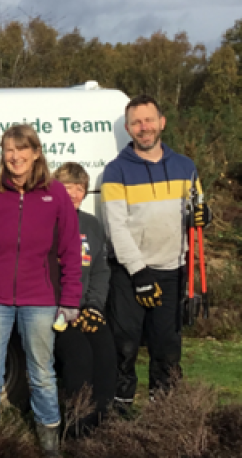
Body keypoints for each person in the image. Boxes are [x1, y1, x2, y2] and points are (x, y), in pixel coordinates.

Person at [0, 124, 82, 457]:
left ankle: (49, 436)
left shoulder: (55, 194)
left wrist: (70, 300)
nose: (15, 157)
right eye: (9, 150)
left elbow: (71, 249)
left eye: (22, 149)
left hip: (41, 299)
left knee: (41, 372)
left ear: (36, 152)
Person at [101, 94, 209, 410]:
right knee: (125, 343)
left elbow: (197, 208)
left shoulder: (185, 166)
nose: (144, 127)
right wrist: (139, 272)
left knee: (167, 345)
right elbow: (115, 227)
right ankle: (119, 405)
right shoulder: (115, 170)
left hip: (174, 269)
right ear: (128, 128)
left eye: (149, 120)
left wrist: (206, 215)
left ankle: (165, 409)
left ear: (161, 123)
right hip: (129, 271)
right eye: (136, 122)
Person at [51, 162, 116, 435]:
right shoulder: (45, 221)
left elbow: (100, 271)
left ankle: (100, 426)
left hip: (84, 308)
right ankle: (76, 428)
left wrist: (93, 307)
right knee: (79, 357)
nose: (75, 194)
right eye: (68, 188)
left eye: (80, 189)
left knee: (105, 355)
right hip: (54, 312)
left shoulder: (91, 224)